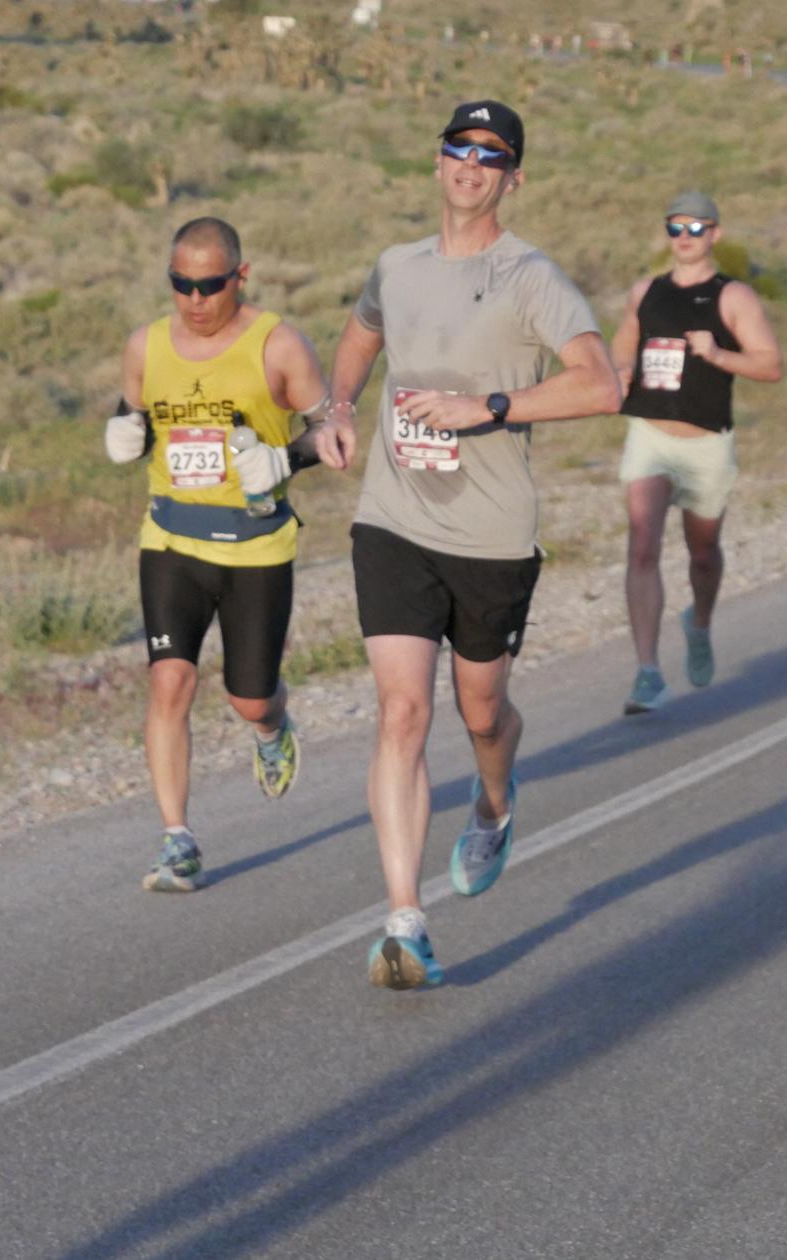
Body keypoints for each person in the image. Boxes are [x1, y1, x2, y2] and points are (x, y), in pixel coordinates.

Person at [320, 100, 621, 988]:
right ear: (438, 160)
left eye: (492, 155)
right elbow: (361, 333)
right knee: (402, 712)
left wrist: (486, 407)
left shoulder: (532, 277)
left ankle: (493, 802)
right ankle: (405, 922)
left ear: (512, 178)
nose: (471, 163)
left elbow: (600, 386)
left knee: (482, 712)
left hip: (491, 534)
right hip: (394, 520)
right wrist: (338, 408)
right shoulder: (397, 265)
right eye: (460, 146)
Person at [104, 217, 331, 891]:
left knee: (248, 698)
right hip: (171, 538)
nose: (195, 301)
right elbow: (136, 412)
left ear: (241, 276)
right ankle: (177, 840)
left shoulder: (279, 344)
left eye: (210, 285)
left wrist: (284, 461)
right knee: (169, 680)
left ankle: (272, 728)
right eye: (181, 285)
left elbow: (330, 431)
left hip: (255, 545)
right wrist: (126, 432)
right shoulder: (146, 345)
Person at [610, 190, 782, 713]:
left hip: (707, 441)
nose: (684, 238)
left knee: (703, 554)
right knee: (643, 544)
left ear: (715, 234)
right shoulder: (645, 292)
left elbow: (770, 365)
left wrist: (718, 354)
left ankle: (699, 622)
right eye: (675, 228)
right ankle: (647, 672)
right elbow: (621, 347)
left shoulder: (734, 297)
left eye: (695, 228)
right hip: (650, 435)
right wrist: (622, 370)